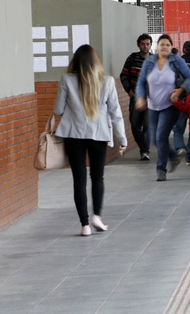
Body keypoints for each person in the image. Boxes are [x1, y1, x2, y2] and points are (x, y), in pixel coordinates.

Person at [53, 44, 127, 237]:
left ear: (75, 61)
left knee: (79, 179)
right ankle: (97, 216)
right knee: (97, 177)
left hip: (73, 136)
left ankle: (84, 225)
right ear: (96, 61)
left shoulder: (67, 79)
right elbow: (115, 113)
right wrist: (122, 138)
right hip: (99, 135)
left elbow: (58, 110)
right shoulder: (108, 81)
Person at [135, 34, 190, 181]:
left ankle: (161, 169)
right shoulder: (149, 62)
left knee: (161, 136)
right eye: (162, 44)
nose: (164, 47)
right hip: (152, 106)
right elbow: (141, 81)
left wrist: (180, 90)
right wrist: (141, 97)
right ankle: (173, 156)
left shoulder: (176, 61)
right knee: (154, 139)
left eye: (167, 45)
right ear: (157, 46)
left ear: (171, 47)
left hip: (170, 106)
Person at [120, 33, 152, 160]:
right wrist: (129, 91)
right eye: (143, 44)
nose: (145, 46)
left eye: (148, 44)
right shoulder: (132, 58)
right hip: (135, 98)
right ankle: (144, 148)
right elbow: (123, 75)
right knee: (135, 124)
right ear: (138, 45)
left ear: (151, 45)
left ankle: (145, 151)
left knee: (148, 124)